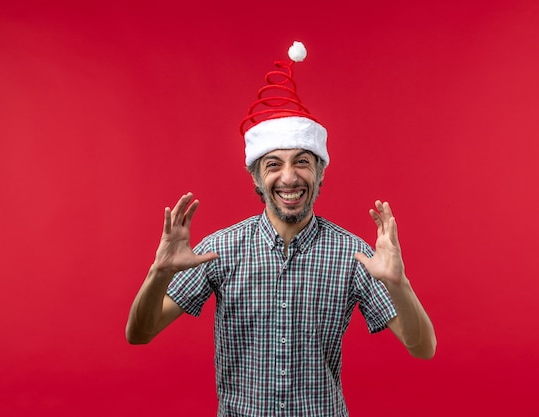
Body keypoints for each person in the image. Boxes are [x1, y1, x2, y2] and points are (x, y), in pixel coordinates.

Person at [125, 41, 436, 416]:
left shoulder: (354, 256)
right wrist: (158, 273)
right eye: (273, 165)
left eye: (302, 162)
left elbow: (423, 348)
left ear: (320, 172)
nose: (289, 177)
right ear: (256, 177)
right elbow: (139, 334)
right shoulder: (219, 250)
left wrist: (399, 284)